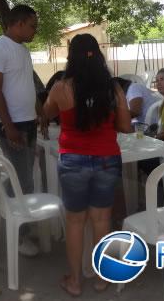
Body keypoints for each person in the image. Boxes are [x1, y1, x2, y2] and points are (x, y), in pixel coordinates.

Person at [43, 34, 132, 297]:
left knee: (75, 222)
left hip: (72, 160)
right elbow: (126, 126)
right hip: (107, 158)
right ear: (98, 55)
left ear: (72, 57)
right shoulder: (112, 88)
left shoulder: (60, 87)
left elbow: (47, 113)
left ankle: (75, 281)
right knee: (102, 219)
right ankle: (103, 278)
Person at [0, 4, 42, 257]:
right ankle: (18, 234)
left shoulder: (22, 50)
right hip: (11, 124)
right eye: (32, 26)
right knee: (22, 178)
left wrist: (40, 110)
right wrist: (9, 127)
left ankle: (19, 221)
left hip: (27, 121)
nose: (34, 31)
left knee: (24, 173)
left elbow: (27, 83)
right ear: (18, 24)